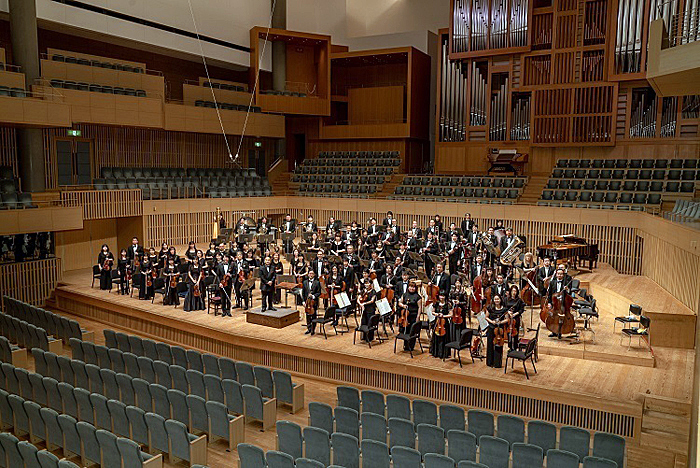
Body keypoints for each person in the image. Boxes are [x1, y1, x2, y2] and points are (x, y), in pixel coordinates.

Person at [397, 280, 422, 351]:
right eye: (410, 287)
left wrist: (418, 316)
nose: (412, 288)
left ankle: (411, 346)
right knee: (406, 330)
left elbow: (420, 307)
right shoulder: (405, 295)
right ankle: (405, 345)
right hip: (405, 316)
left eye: (413, 287)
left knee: (412, 332)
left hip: (413, 316)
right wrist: (403, 305)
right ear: (408, 287)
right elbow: (400, 303)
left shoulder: (418, 297)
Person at [485, 294, 508, 368]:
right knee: (490, 345)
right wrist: (492, 322)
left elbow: (507, 319)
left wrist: (500, 322)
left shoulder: (504, 309)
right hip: (491, 328)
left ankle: (497, 363)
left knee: (498, 345)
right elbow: (486, 317)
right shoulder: (490, 308)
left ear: (500, 299)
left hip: (499, 330)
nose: (496, 301)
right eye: (495, 299)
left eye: (498, 299)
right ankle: (490, 362)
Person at [429, 292, 451, 359]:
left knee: (444, 338)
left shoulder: (448, 304)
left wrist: (443, 316)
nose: (441, 297)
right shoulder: (436, 303)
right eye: (441, 296)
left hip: (444, 323)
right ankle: (436, 352)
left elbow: (451, 314)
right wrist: (436, 314)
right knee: (436, 336)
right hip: (437, 322)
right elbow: (433, 312)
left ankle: (443, 353)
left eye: (443, 296)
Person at [303, 269, 321, 335]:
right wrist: (303, 301)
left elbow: (319, 293)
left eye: (312, 274)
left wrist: (313, 296)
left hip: (314, 302)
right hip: (307, 303)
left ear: (314, 275)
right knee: (307, 316)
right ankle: (309, 328)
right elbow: (303, 293)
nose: (311, 275)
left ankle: (313, 329)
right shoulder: (304, 282)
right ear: (308, 274)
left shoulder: (317, 282)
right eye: (310, 273)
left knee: (313, 316)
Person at [505, 284, 524, 349]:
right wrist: (508, 312)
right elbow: (504, 308)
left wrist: (515, 314)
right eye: (513, 291)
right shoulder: (506, 299)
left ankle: (515, 346)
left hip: (516, 318)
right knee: (508, 333)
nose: (514, 293)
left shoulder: (519, 300)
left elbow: (522, 309)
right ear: (510, 291)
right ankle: (510, 346)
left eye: (515, 291)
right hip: (508, 318)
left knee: (515, 333)